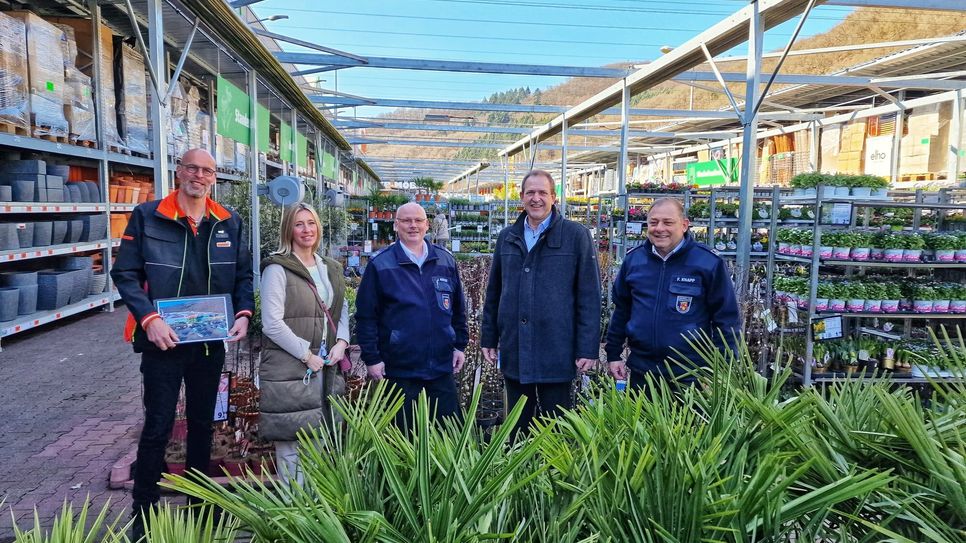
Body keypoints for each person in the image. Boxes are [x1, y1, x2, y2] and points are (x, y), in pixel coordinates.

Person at [111, 148, 254, 538]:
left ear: (214, 178)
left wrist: (243, 313)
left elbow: (243, 276)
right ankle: (144, 517)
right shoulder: (149, 216)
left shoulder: (228, 221)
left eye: (208, 170)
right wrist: (149, 318)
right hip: (162, 343)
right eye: (193, 167)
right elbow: (124, 272)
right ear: (179, 171)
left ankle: (200, 506)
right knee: (157, 426)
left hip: (209, 345)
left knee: (203, 425)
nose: (200, 175)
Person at [480, 170, 601, 437]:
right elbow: (495, 291)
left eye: (542, 193)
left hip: (556, 346)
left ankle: (554, 476)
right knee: (517, 425)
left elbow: (589, 296)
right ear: (521, 197)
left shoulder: (575, 236)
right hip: (515, 345)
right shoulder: (508, 237)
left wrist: (588, 348)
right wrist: (489, 337)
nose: (536, 199)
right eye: (530, 193)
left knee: (555, 424)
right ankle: (517, 472)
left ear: (554, 198)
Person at [605, 197, 740, 390]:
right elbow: (621, 311)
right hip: (643, 372)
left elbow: (726, 320)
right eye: (653, 222)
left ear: (684, 225)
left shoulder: (707, 263)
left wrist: (720, 370)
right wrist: (613, 354)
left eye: (668, 222)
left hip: (691, 375)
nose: (659, 228)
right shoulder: (633, 261)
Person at [258, 202, 350, 483]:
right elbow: (272, 323)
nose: (306, 230)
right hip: (291, 369)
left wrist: (342, 342)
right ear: (289, 229)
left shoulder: (330, 267)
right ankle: (293, 515)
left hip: (326, 366)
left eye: (311, 223)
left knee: (320, 439)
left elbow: (341, 309)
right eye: (299, 224)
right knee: (292, 442)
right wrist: (305, 354)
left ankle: (316, 513)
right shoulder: (277, 268)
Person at [355, 202, 469, 424]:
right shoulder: (381, 264)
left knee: (447, 434)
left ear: (427, 225)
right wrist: (372, 358)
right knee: (403, 437)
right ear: (396, 225)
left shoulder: (444, 260)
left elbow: (457, 308)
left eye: (418, 220)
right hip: (399, 370)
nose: (413, 226)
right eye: (406, 221)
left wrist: (459, 345)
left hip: (440, 368)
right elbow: (366, 316)